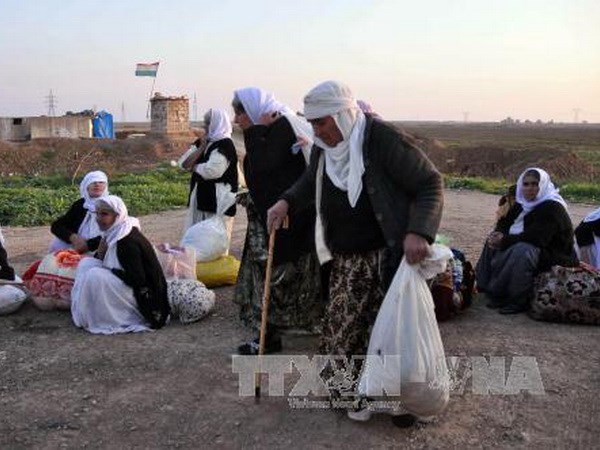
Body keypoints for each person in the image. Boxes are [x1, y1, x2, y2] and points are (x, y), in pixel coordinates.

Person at [267, 80, 444, 424]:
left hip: (387, 257)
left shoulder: (382, 139)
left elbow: (429, 182)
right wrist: (285, 201)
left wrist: (418, 231)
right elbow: (310, 181)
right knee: (345, 330)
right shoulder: (323, 144)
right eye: (313, 122)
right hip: (347, 259)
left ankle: (400, 400)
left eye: (322, 122)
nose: (316, 130)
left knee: (391, 332)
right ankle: (358, 394)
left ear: (343, 116)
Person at [231, 86, 323, 355]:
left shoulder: (281, 127)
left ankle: (271, 335)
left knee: (278, 277)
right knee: (269, 277)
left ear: (254, 111)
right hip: (273, 218)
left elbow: (263, 166)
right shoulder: (271, 129)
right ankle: (268, 333)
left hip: (290, 220)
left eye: (241, 114)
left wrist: (256, 130)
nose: (238, 120)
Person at [476, 168, 578, 314]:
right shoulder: (521, 204)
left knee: (522, 250)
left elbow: (537, 238)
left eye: (535, 184)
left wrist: (505, 240)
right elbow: (504, 224)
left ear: (542, 185)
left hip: (554, 254)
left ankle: (516, 300)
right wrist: (498, 235)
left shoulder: (553, 207)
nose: (530, 188)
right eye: (526, 184)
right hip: (532, 246)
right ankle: (485, 287)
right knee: (492, 239)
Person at [71, 195, 170, 334]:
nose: (98, 218)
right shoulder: (114, 232)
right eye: (97, 214)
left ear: (117, 216)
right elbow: (108, 259)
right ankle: (86, 313)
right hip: (129, 283)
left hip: (143, 295)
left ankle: (107, 317)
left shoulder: (126, 241)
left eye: (104, 214)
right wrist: (101, 254)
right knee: (86, 264)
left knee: (94, 275)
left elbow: (138, 279)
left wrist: (110, 271)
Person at [178, 108, 239, 248]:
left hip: (219, 201)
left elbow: (212, 171)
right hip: (200, 199)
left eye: (208, 123)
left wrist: (194, 166)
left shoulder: (225, 145)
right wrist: (201, 148)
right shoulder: (203, 142)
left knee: (215, 243)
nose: (204, 126)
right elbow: (183, 163)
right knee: (197, 239)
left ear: (217, 123)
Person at [49, 170, 109, 253]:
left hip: (101, 248)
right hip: (77, 246)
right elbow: (57, 226)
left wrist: (88, 245)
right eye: (93, 182)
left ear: (106, 186)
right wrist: (73, 237)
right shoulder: (80, 204)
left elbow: (116, 232)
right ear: (86, 186)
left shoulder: (111, 205)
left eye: (101, 182)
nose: (97, 184)